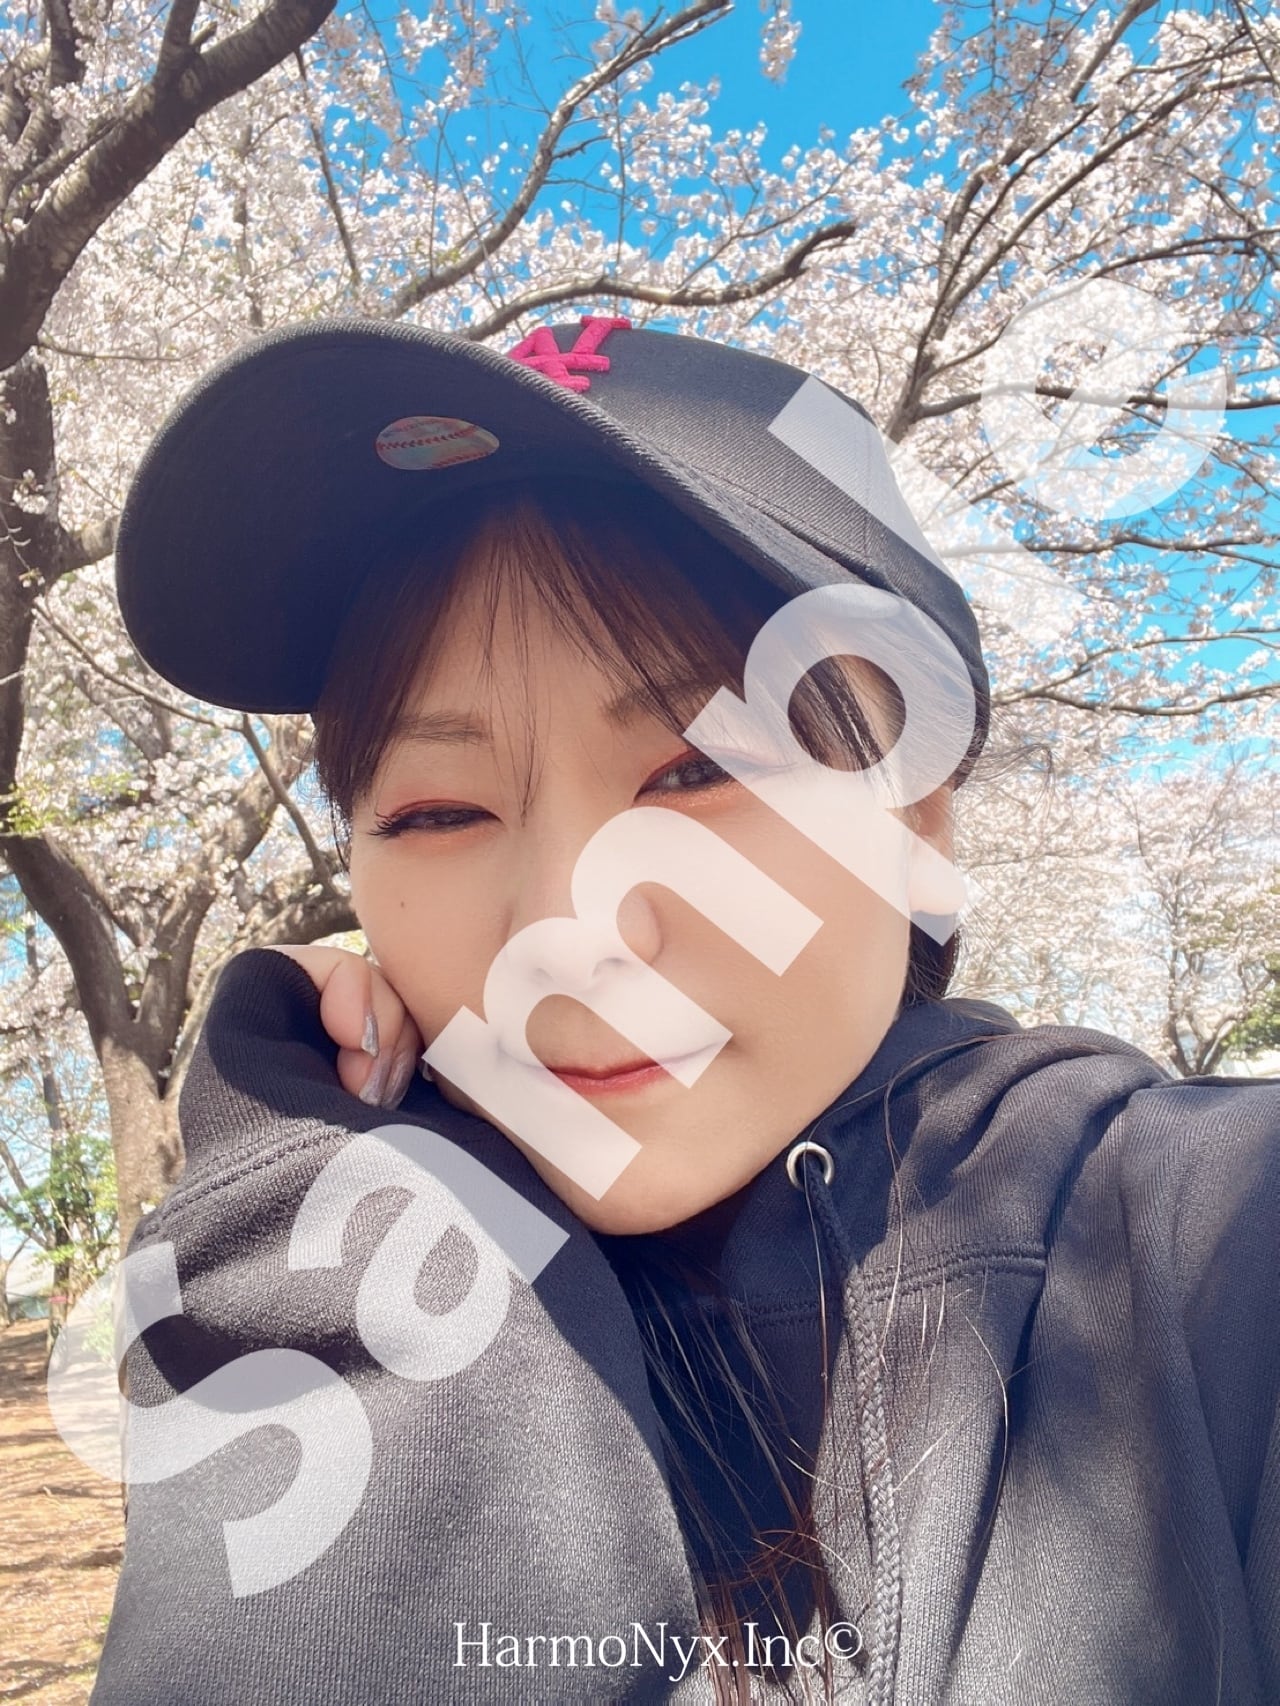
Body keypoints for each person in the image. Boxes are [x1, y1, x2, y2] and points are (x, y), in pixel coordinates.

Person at [92, 316, 1278, 1705]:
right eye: (438, 811)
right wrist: (338, 1211)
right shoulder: (330, 1276)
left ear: (918, 821)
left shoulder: (1212, 1243)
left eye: (694, 773)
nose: (567, 929)